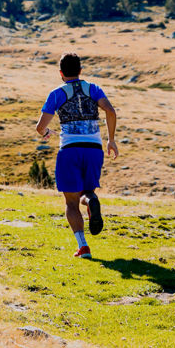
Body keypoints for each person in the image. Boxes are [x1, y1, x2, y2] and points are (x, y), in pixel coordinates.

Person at [34, 53, 118, 258]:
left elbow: (40, 127)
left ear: (61, 73)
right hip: (94, 148)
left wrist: (46, 133)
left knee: (71, 202)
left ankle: (83, 246)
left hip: (70, 149)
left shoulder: (57, 93)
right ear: (80, 71)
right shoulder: (93, 88)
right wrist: (111, 140)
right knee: (87, 191)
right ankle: (90, 201)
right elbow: (111, 111)